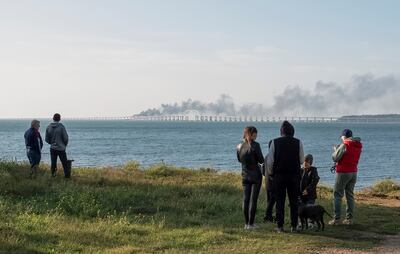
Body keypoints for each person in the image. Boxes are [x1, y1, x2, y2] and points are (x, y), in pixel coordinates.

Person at [266, 121, 304, 233]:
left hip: (279, 176)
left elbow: (270, 161)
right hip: (294, 176)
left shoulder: (274, 142)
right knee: (294, 202)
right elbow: (302, 160)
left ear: (281, 131)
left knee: (280, 201)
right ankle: (294, 226)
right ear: (292, 132)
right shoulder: (298, 142)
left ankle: (280, 226)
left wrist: (271, 173)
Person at [329, 129, 362, 225]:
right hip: (353, 172)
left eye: (342, 137)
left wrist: (336, 150)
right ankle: (349, 219)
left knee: (337, 195)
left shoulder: (345, 145)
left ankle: (336, 219)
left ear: (344, 136)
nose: (341, 138)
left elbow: (335, 158)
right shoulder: (358, 145)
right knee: (350, 195)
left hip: (343, 172)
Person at [237, 126, 264, 230]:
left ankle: (246, 224)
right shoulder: (256, 145)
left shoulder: (239, 146)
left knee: (246, 200)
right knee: (253, 200)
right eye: (255, 133)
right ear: (251, 134)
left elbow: (239, 159)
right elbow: (261, 160)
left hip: (244, 175)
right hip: (255, 176)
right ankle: (251, 224)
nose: (256, 135)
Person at [45, 113, 70, 178]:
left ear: (53, 118)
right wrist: (65, 145)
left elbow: (46, 139)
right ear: (59, 119)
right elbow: (65, 138)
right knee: (64, 163)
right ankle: (67, 177)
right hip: (61, 148)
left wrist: (52, 143)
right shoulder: (61, 127)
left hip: (52, 148)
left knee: (53, 163)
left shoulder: (48, 127)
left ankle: (53, 175)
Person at [263, 140, 276, 223]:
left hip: (267, 181)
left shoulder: (266, 156)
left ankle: (269, 217)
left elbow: (262, 169)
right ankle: (267, 216)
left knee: (269, 200)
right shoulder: (274, 157)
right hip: (273, 182)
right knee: (273, 200)